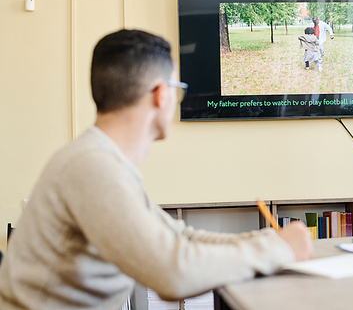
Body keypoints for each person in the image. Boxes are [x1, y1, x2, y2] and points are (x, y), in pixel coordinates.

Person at [0, 29, 314, 310]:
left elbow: (179, 235)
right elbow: (172, 275)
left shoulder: (101, 159)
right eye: (177, 89)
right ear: (161, 94)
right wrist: (277, 248)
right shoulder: (91, 166)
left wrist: (270, 242)